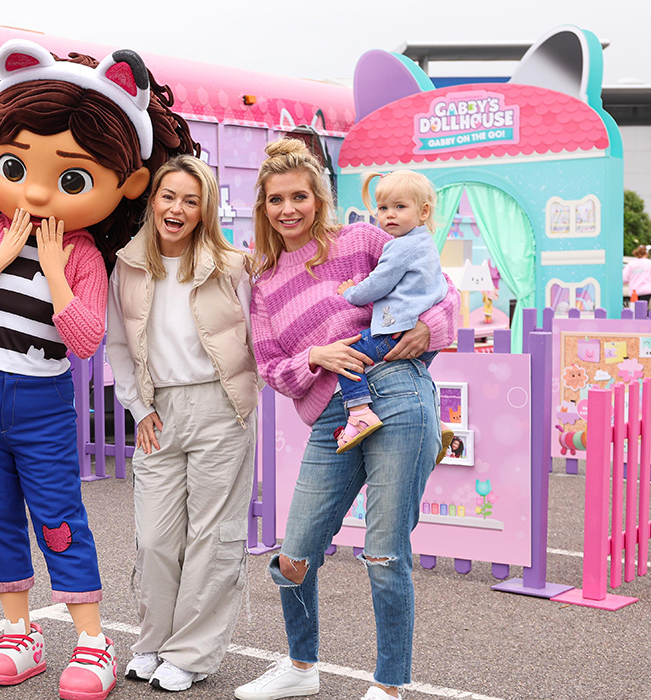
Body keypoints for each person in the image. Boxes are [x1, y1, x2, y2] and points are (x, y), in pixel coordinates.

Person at [0, 39, 197, 700]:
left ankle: (91, 639)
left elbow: (84, 340)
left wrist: (54, 271)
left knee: (56, 513)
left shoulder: (82, 256)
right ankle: (18, 632)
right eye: (15, 165)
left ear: (126, 184)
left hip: (39, 397)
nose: (37, 189)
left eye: (71, 179)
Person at [233, 139, 458, 700]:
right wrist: (315, 355)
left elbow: (439, 284)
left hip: (396, 392)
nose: (289, 209)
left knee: (384, 551)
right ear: (263, 206)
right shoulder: (264, 284)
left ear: (319, 198)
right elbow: (270, 368)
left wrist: (429, 328)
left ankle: (388, 686)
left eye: (300, 196)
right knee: (294, 554)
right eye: (276, 199)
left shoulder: (360, 240)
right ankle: (300, 668)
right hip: (331, 418)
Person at [105, 155, 256, 692]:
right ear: (153, 201)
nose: (178, 208)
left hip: (221, 407)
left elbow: (261, 335)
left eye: (191, 201)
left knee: (213, 537)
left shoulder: (232, 266)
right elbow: (118, 346)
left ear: (204, 210)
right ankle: (152, 642)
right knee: (155, 538)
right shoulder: (127, 266)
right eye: (169, 196)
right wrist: (138, 408)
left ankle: (190, 653)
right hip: (157, 412)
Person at [330, 170, 447, 453]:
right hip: (424, 340)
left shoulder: (400, 247)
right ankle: (437, 421)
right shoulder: (426, 243)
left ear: (423, 211)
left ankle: (359, 414)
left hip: (395, 331)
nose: (389, 215)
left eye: (400, 207)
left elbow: (377, 284)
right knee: (414, 374)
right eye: (383, 208)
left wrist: (350, 292)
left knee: (347, 356)